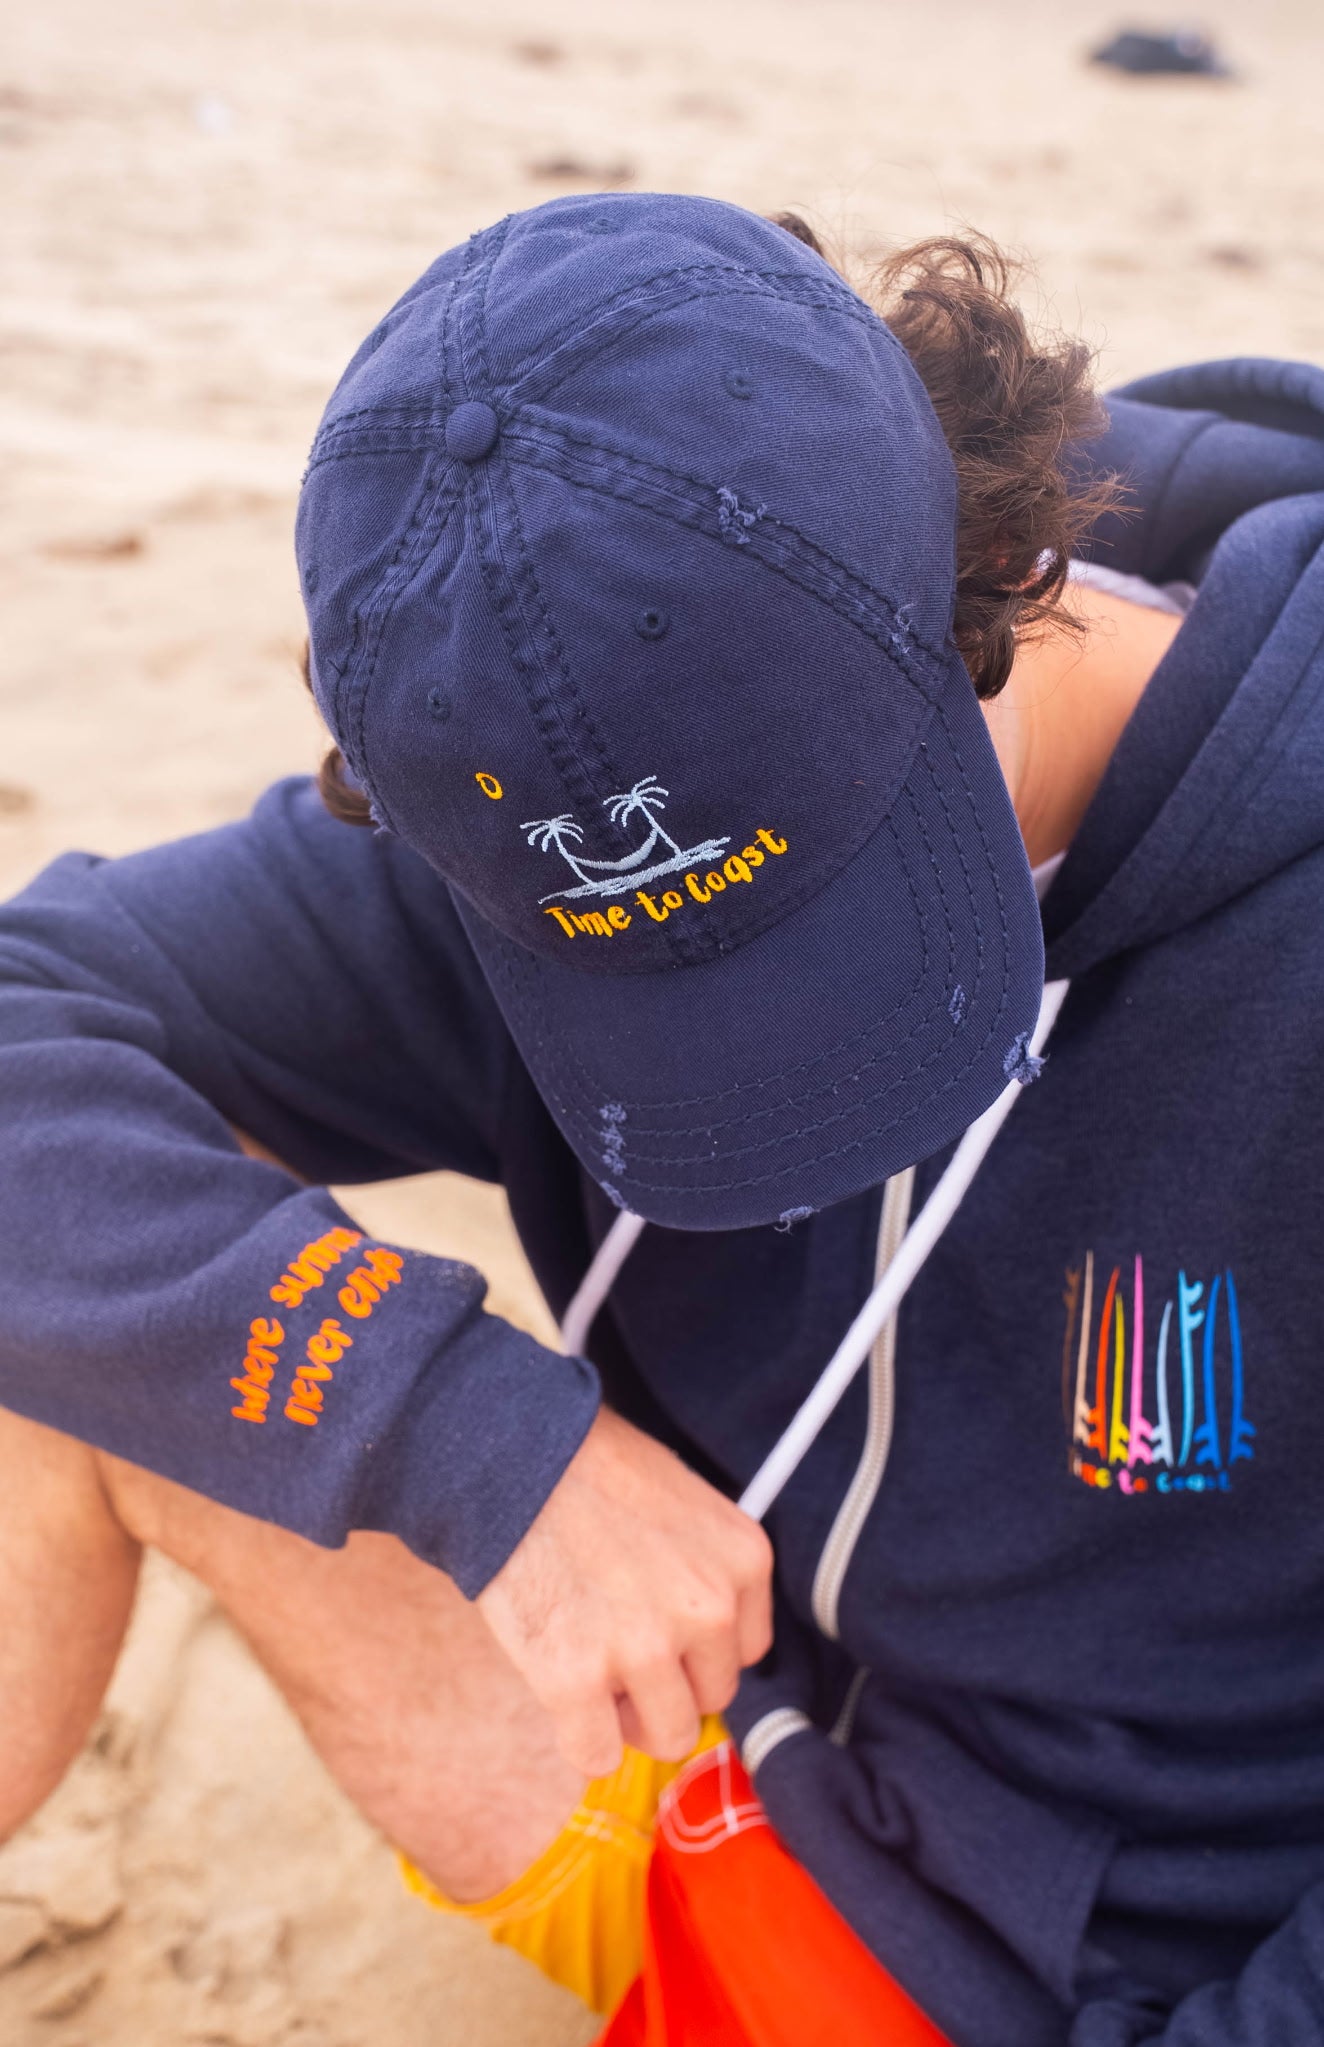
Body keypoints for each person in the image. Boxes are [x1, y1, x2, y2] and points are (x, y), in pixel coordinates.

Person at [2, 190, 1324, 2045]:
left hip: (1057, 1985)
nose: (762, 1078)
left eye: (814, 925)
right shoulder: (534, 783)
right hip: (676, 1754)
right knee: (63, 1319)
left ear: (999, 565)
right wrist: (451, 1422)